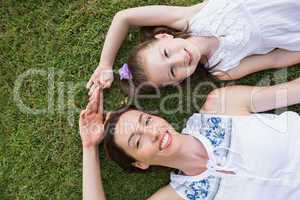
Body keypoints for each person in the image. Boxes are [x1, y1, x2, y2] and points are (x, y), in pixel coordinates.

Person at [80, 76, 300, 200]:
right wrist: (89, 147)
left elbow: (293, 90)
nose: (154, 133)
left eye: (146, 121)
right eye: (138, 142)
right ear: (140, 163)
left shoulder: (221, 105)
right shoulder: (181, 195)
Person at [86, 0, 300, 95]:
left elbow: (124, 17)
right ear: (179, 80)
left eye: (166, 53)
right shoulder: (223, 68)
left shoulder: (190, 18)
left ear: (164, 37)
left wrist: (105, 64)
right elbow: (275, 60)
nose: (179, 59)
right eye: (172, 70)